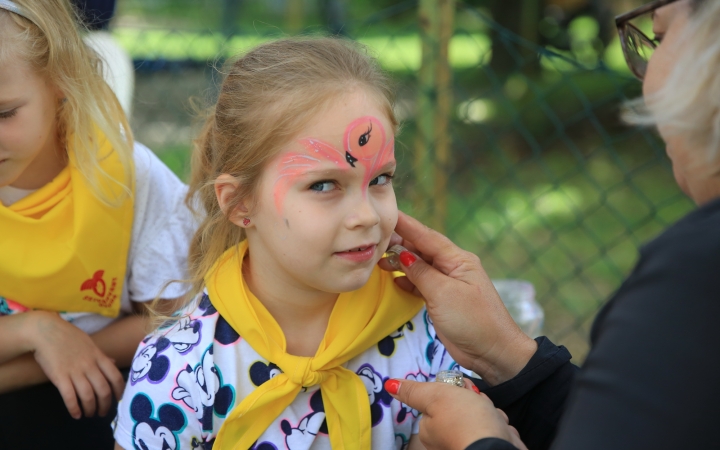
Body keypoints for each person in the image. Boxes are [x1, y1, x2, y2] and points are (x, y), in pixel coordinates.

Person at [374, 0, 720, 449]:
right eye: (323, 185)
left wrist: (480, 441)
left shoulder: (699, 276)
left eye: (660, 35)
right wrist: (507, 357)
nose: (645, 74)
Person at [112, 37, 464, 450]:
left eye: (380, 179)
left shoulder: (435, 330)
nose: (367, 215)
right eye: (324, 185)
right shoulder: (179, 370)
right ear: (241, 203)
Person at [0, 1, 194, 448]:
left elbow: (177, 321)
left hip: (99, 394)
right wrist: (36, 330)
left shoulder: (125, 177)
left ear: (61, 81)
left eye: (4, 113)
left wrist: (51, 357)